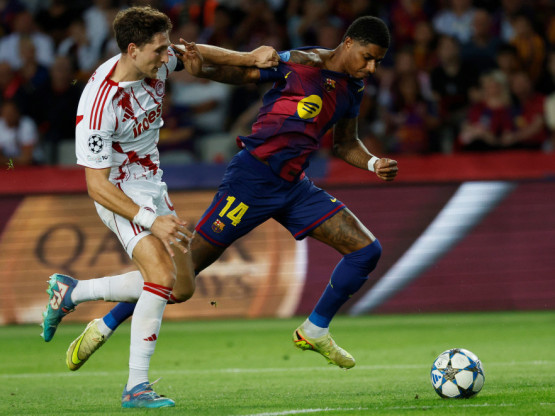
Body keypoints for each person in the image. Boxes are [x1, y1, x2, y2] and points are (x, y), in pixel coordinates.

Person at [49, 15, 398, 378]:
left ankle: (315, 329)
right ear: (348, 43)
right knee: (181, 275)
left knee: (366, 251)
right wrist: (205, 71)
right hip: (252, 180)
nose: (371, 68)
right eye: (368, 57)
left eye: (377, 62)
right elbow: (245, 72)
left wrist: (373, 163)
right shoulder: (302, 63)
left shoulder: (353, 88)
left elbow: (345, 143)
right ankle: (102, 322)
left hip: (295, 187)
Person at [40, 5, 279, 409]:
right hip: (118, 193)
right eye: (159, 49)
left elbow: (195, 51)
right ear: (133, 50)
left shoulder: (158, 62)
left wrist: (249, 57)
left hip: (152, 184)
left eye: (167, 48)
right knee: (160, 276)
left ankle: (74, 292)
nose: (168, 56)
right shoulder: (99, 104)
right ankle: (136, 387)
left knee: (181, 287)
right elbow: (95, 185)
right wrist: (152, 221)